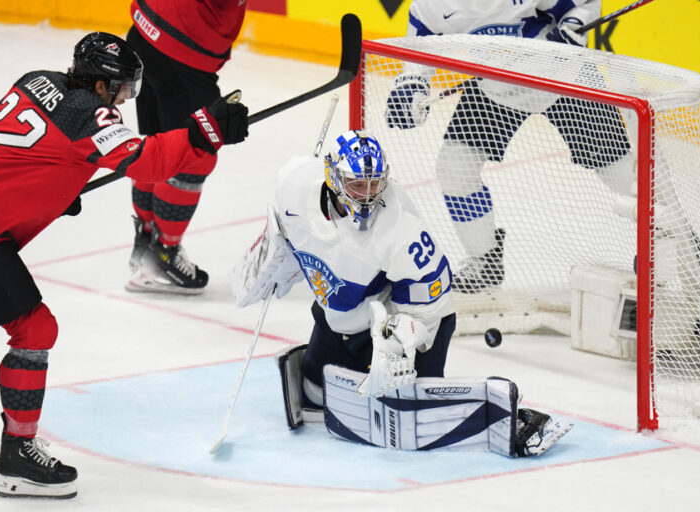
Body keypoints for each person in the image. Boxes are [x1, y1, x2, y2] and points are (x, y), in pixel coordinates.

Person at [0, 32, 248, 498]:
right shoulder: (91, 112)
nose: (125, 98)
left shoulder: (36, 80)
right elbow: (149, 162)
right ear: (102, 85)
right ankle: (18, 455)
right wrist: (207, 129)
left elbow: (12, 152)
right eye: (122, 88)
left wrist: (56, 187)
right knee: (34, 331)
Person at [231, 130, 571, 455]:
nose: (367, 195)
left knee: (411, 416)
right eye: (357, 184)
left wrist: (394, 348)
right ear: (333, 178)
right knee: (315, 395)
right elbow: (285, 225)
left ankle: (517, 422)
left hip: (408, 319)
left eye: (374, 184)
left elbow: (429, 303)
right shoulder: (293, 181)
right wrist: (275, 257)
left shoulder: (401, 231)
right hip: (342, 310)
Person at [384, 0, 636, 293]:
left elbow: (586, 2)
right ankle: (484, 263)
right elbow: (417, 54)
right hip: (497, 86)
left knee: (624, 178)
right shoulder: (431, 5)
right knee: (455, 168)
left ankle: (676, 245)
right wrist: (410, 88)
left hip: (565, 77)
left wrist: (572, 27)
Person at [124, 0, 248, 294]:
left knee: (158, 145)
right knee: (195, 152)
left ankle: (146, 242)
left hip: (146, 30)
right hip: (182, 49)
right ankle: (161, 257)